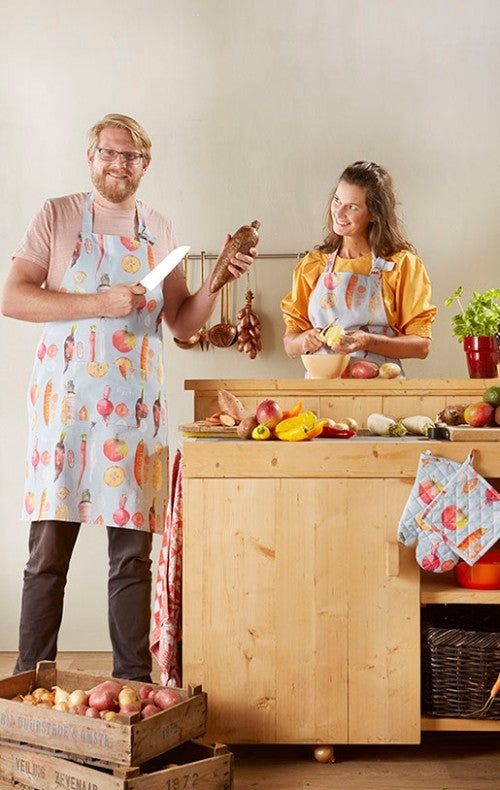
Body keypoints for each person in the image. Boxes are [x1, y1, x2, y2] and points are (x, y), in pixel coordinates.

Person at [1, 113, 256, 681]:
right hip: (64, 415)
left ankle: (134, 686)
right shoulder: (57, 215)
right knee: (46, 556)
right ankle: (25, 683)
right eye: (110, 153)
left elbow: (183, 324)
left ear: (146, 164)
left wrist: (215, 284)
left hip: (133, 416)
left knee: (131, 558)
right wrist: (98, 303)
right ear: (90, 158)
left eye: (132, 156)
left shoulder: (159, 230)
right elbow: (13, 298)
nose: (120, 164)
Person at [281, 161, 436, 372]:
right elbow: (290, 345)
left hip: (381, 390)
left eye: (352, 207)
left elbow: (422, 346)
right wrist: (304, 341)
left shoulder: (401, 265)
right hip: (323, 392)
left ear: (373, 214)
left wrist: (368, 341)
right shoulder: (312, 265)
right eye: (337, 201)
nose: (339, 212)